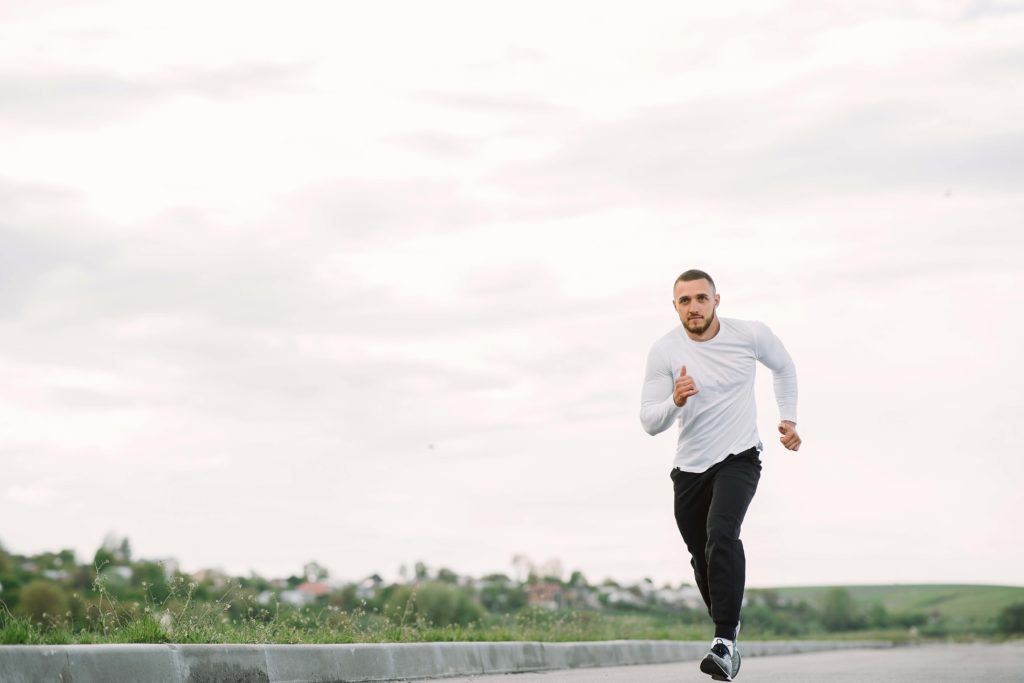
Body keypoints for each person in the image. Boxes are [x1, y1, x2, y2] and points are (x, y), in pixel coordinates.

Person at [640, 269, 800, 681]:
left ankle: (724, 641)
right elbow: (649, 422)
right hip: (689, 468)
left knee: (722, 534)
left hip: (739, 457)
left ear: (716, 300)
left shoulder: (749, 335)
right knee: (703, 557)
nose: (693, 307)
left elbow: (783, 367)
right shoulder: (664, 352)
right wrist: (675, 400)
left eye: (700, 298)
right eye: (684, 301)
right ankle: (729, 624)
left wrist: (789, 419)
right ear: (675, 306)